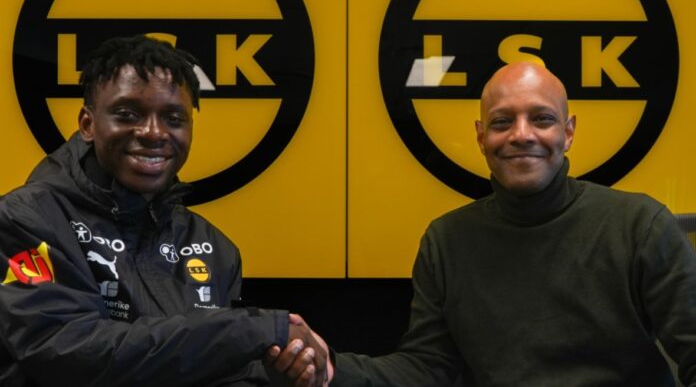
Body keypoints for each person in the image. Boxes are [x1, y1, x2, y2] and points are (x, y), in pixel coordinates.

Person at [318, 62, 696, 386]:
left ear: (568, 132)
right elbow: (428, 368)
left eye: (542, 118)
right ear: (481, 137)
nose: (521, 135)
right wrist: (333, 370)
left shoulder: (640, 226)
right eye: (502, 121)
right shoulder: (447, 241)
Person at [0, 35, 327, 386]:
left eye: (173, 118)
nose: (153, 132)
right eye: (128, 114)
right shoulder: (27, 219)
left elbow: (216, 370)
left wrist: (290, 365)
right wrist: (251, 330)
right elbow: (65, 352)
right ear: (88, 124)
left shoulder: (213, 248)